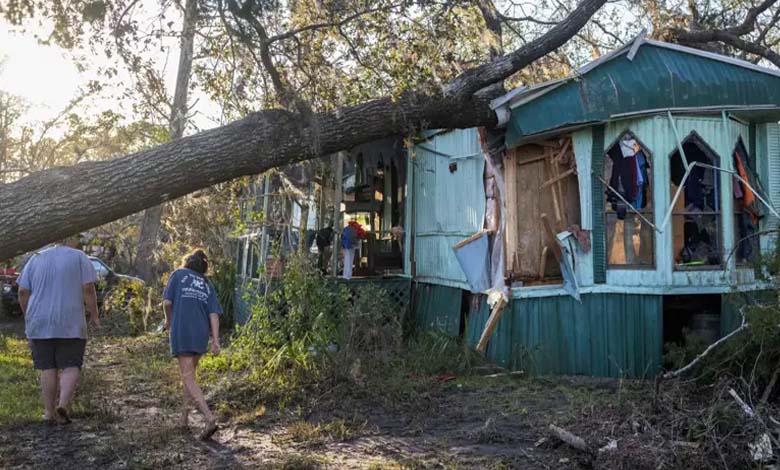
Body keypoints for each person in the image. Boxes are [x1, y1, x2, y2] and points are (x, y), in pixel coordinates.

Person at [17, 235, 100, 425]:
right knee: (71, 365)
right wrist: (94, 315)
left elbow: (22, 291)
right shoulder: (79, 257)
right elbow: (88, 289)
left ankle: (48, 413)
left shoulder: (36, 258)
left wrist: (28, 314)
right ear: (70, 239)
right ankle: (63, 404)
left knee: (47, 367)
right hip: (70, 321)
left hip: (40, 322)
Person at [163, 249, 222, 440]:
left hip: (183, 330)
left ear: (187, 261)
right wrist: (215, 340)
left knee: (188, 377)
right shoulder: (206, 283)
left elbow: (166, 302)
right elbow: (214, 314)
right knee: (189, 375)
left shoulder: (178, 274)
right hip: (200, 333)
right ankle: (184, 418)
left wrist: (169, 322)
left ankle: (209, 418)